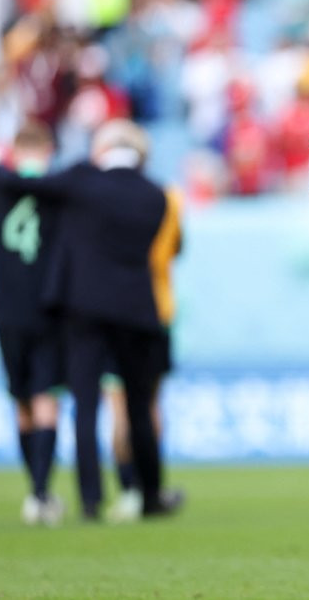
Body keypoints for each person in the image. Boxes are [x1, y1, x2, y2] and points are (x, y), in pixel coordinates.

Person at [0, 119, 183, 522]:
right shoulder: (156, 195)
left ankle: (90, 500)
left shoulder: (82, 182)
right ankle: (148, 492)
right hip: (136, 309)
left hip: (84, 309)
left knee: (86, 406)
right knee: (139, 406)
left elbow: (28, 187)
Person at [0, 121, 65, 526]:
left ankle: (35, 489)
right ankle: (41, 491)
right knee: (46, 395)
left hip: (5, 304)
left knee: (21, 400)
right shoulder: (57, 192)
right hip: (46, 306)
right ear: (47, 149)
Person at [105, 184, 183, 523]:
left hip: (116, 313)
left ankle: (129, 488)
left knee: (120, 405)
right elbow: (176, 248)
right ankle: (151, 486)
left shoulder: (103, 202)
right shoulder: (167, 200)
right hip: (157, 312)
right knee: (149, 405)